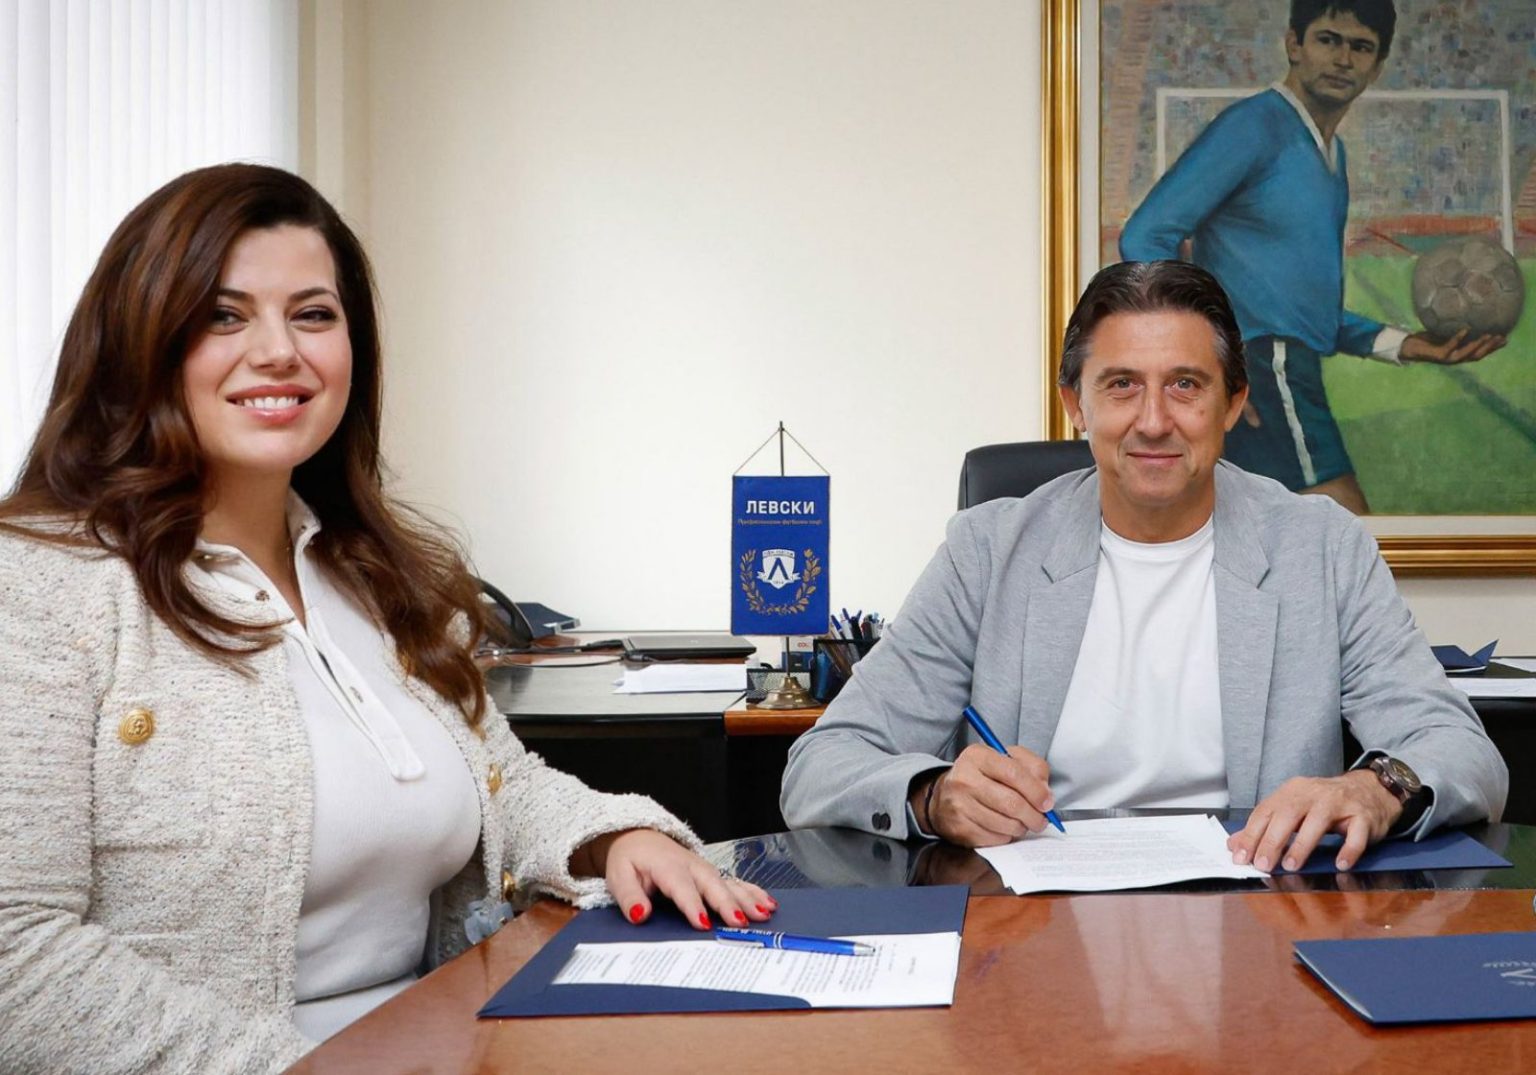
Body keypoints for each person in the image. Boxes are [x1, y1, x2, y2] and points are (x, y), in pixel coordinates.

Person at [0, 164, 774, 1073]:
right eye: (224, 315)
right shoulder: (41, 586)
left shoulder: (378, 574)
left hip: (448, 1041)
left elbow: (503, 784)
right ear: (138, 342)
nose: (279, 351)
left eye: (313, 314)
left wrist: (614, 837)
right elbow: (17, 953)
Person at [780, 260, 1506, 875]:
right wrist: (933, 795)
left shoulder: (1322, 548)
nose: (1154, 420)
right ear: (1076, 405)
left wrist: (1375, 788)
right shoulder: (988, 551)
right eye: (1122, 384)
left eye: (1185, 384)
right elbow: (822, 763)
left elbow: (1461, 750)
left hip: (1260, 920)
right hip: (1033, 927)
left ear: (1234, 404)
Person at [1119, 0, 1505, 514]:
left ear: (1377, 66)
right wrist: (1208, 357)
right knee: (1347, 524)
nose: (1343, 59)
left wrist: (1407, 344)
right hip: (1265, 367)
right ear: (1294, 44)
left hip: (1279, 368)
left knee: (1274, 540)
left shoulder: (1332, 155)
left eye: (1361, 47)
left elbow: (1303, 310)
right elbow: (1144, 237)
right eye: (1328, 40)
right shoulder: (1254, 126)